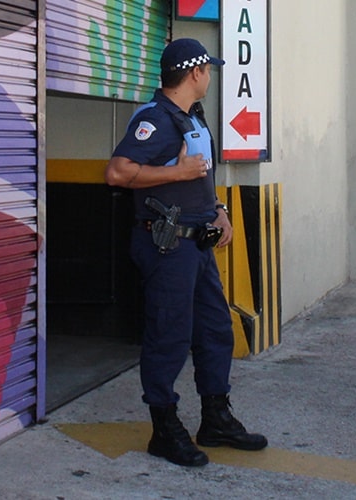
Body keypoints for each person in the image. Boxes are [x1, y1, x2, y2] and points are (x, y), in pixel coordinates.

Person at [105, 38, 267, 467]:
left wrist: (219, 209)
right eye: (208, 69)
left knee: (215, 330)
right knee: (169, 335)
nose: (210, 76)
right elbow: (117, 172)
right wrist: (175, 171)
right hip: (167, 246)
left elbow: (200, 177)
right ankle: (164, 428)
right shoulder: (155, 120)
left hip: (197, 243)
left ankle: (215, 417)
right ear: (195, 73)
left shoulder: (190, 117)